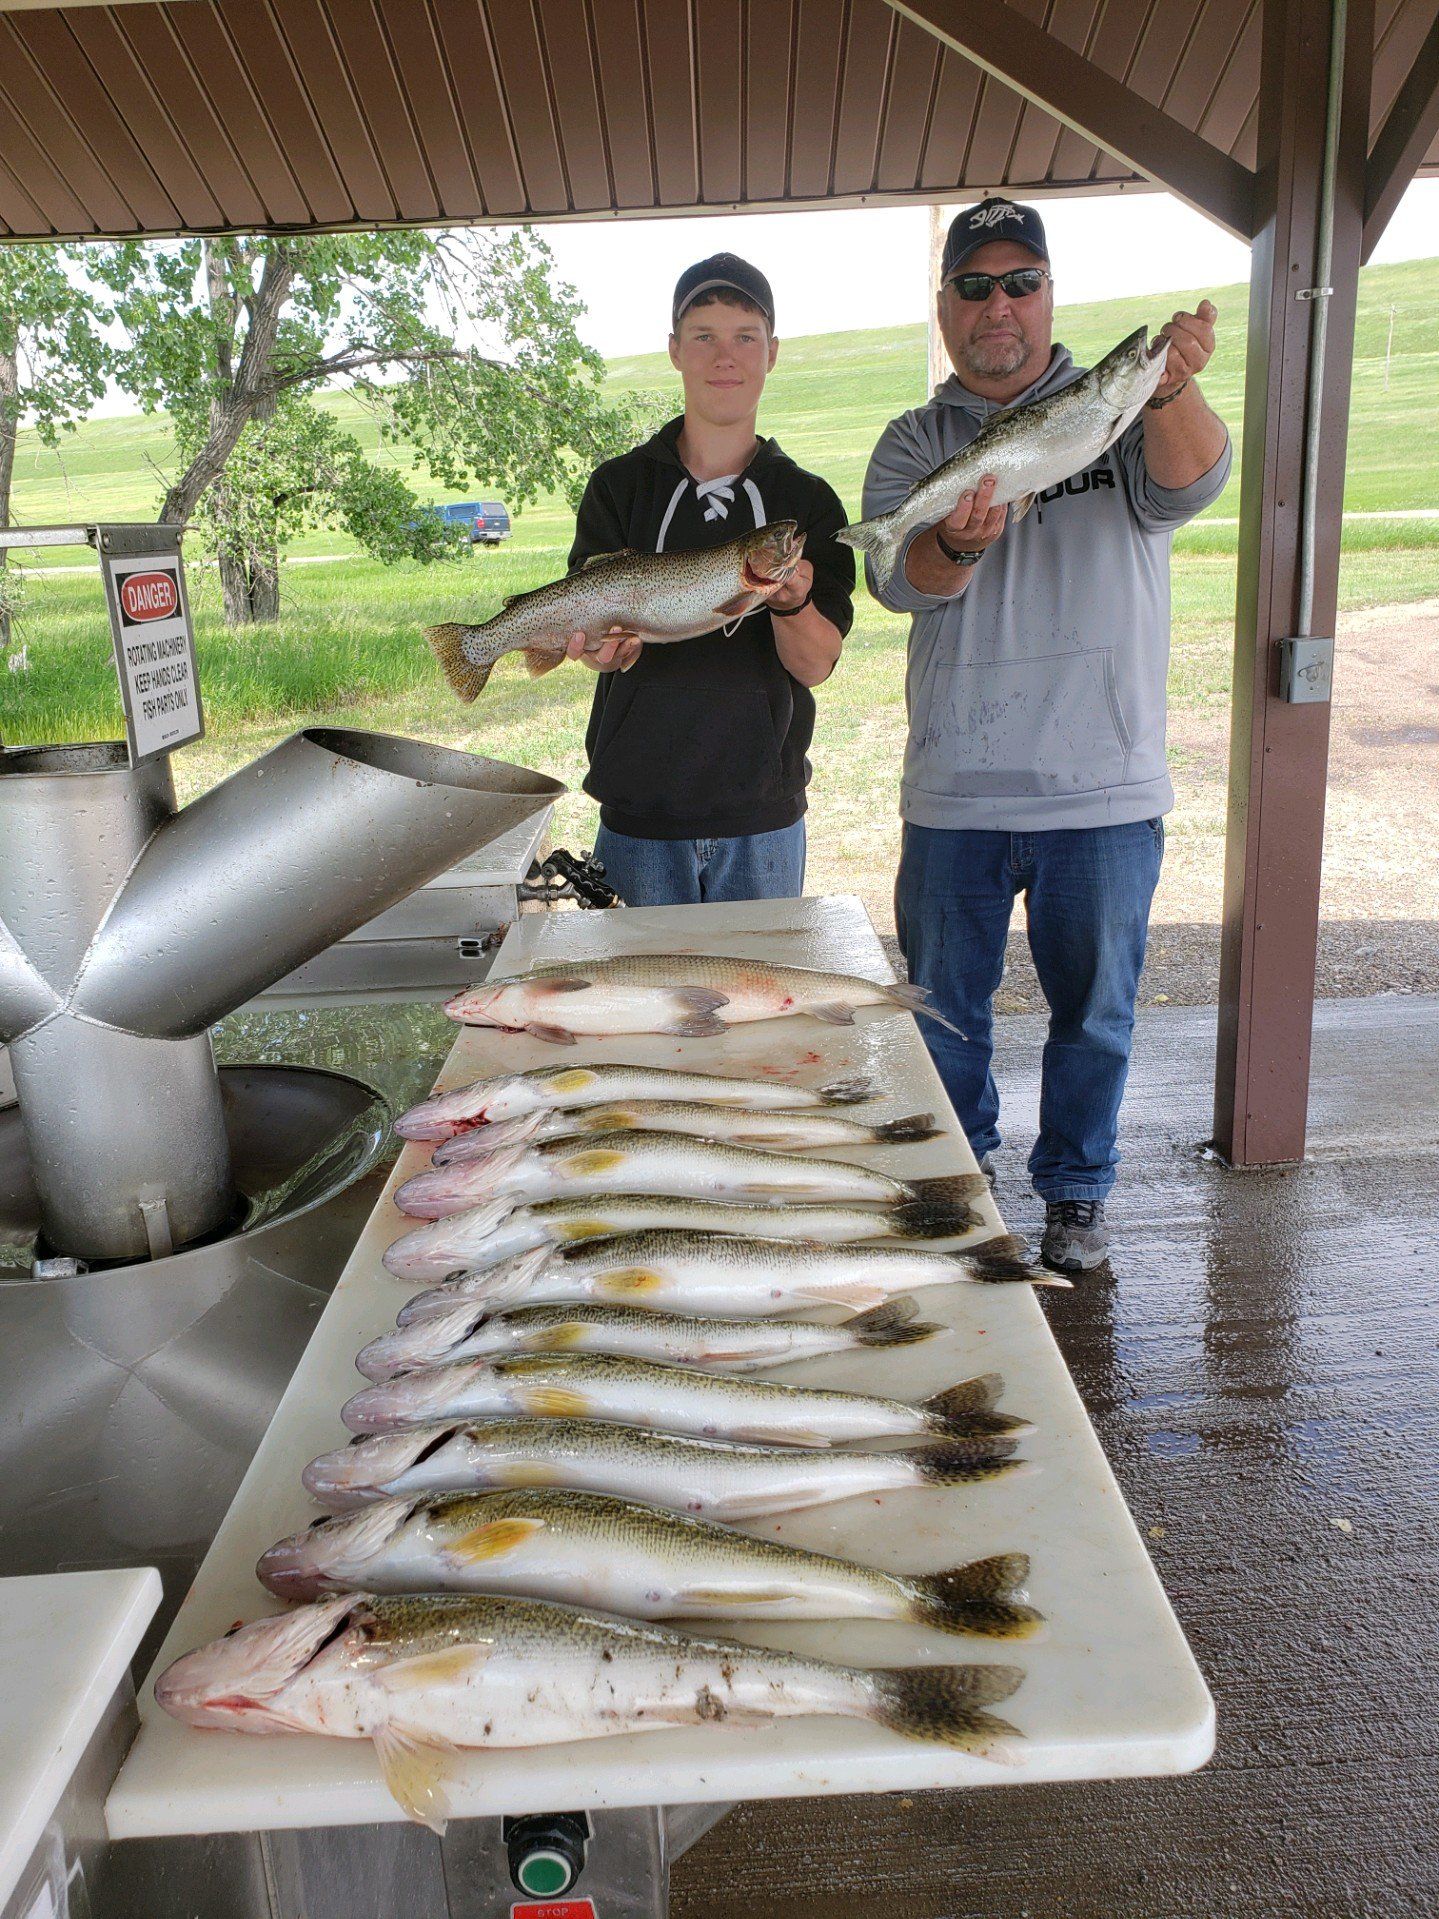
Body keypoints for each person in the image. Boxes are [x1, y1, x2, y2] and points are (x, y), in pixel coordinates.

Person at [860, 198, 1231, 1274]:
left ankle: (1074, 1196)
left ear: (1049, 294)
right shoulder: (913, 442)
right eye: (972, 285)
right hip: (955, 796)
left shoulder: (1111, 409)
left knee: (1097, 1018)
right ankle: (962, 1187)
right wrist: (956, 545)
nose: (997, 305)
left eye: (1019, 280)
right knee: (943, 1020)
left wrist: (1165, 381)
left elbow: (1189, 480)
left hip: (1102, 792)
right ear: (943, 307)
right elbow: (898, 581)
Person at [562, 253, 854, 908]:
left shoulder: (806, 501)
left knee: (759, 1007)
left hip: (763, 819)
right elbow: (591, 633)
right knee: (641, 1008)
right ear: (674, 350)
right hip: (637, 816)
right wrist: (600, 649)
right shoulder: (618, 486)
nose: (725, 357)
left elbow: (813, 664)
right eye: (704, 337)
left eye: (744, 337)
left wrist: (793, 600)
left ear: (770, 352)